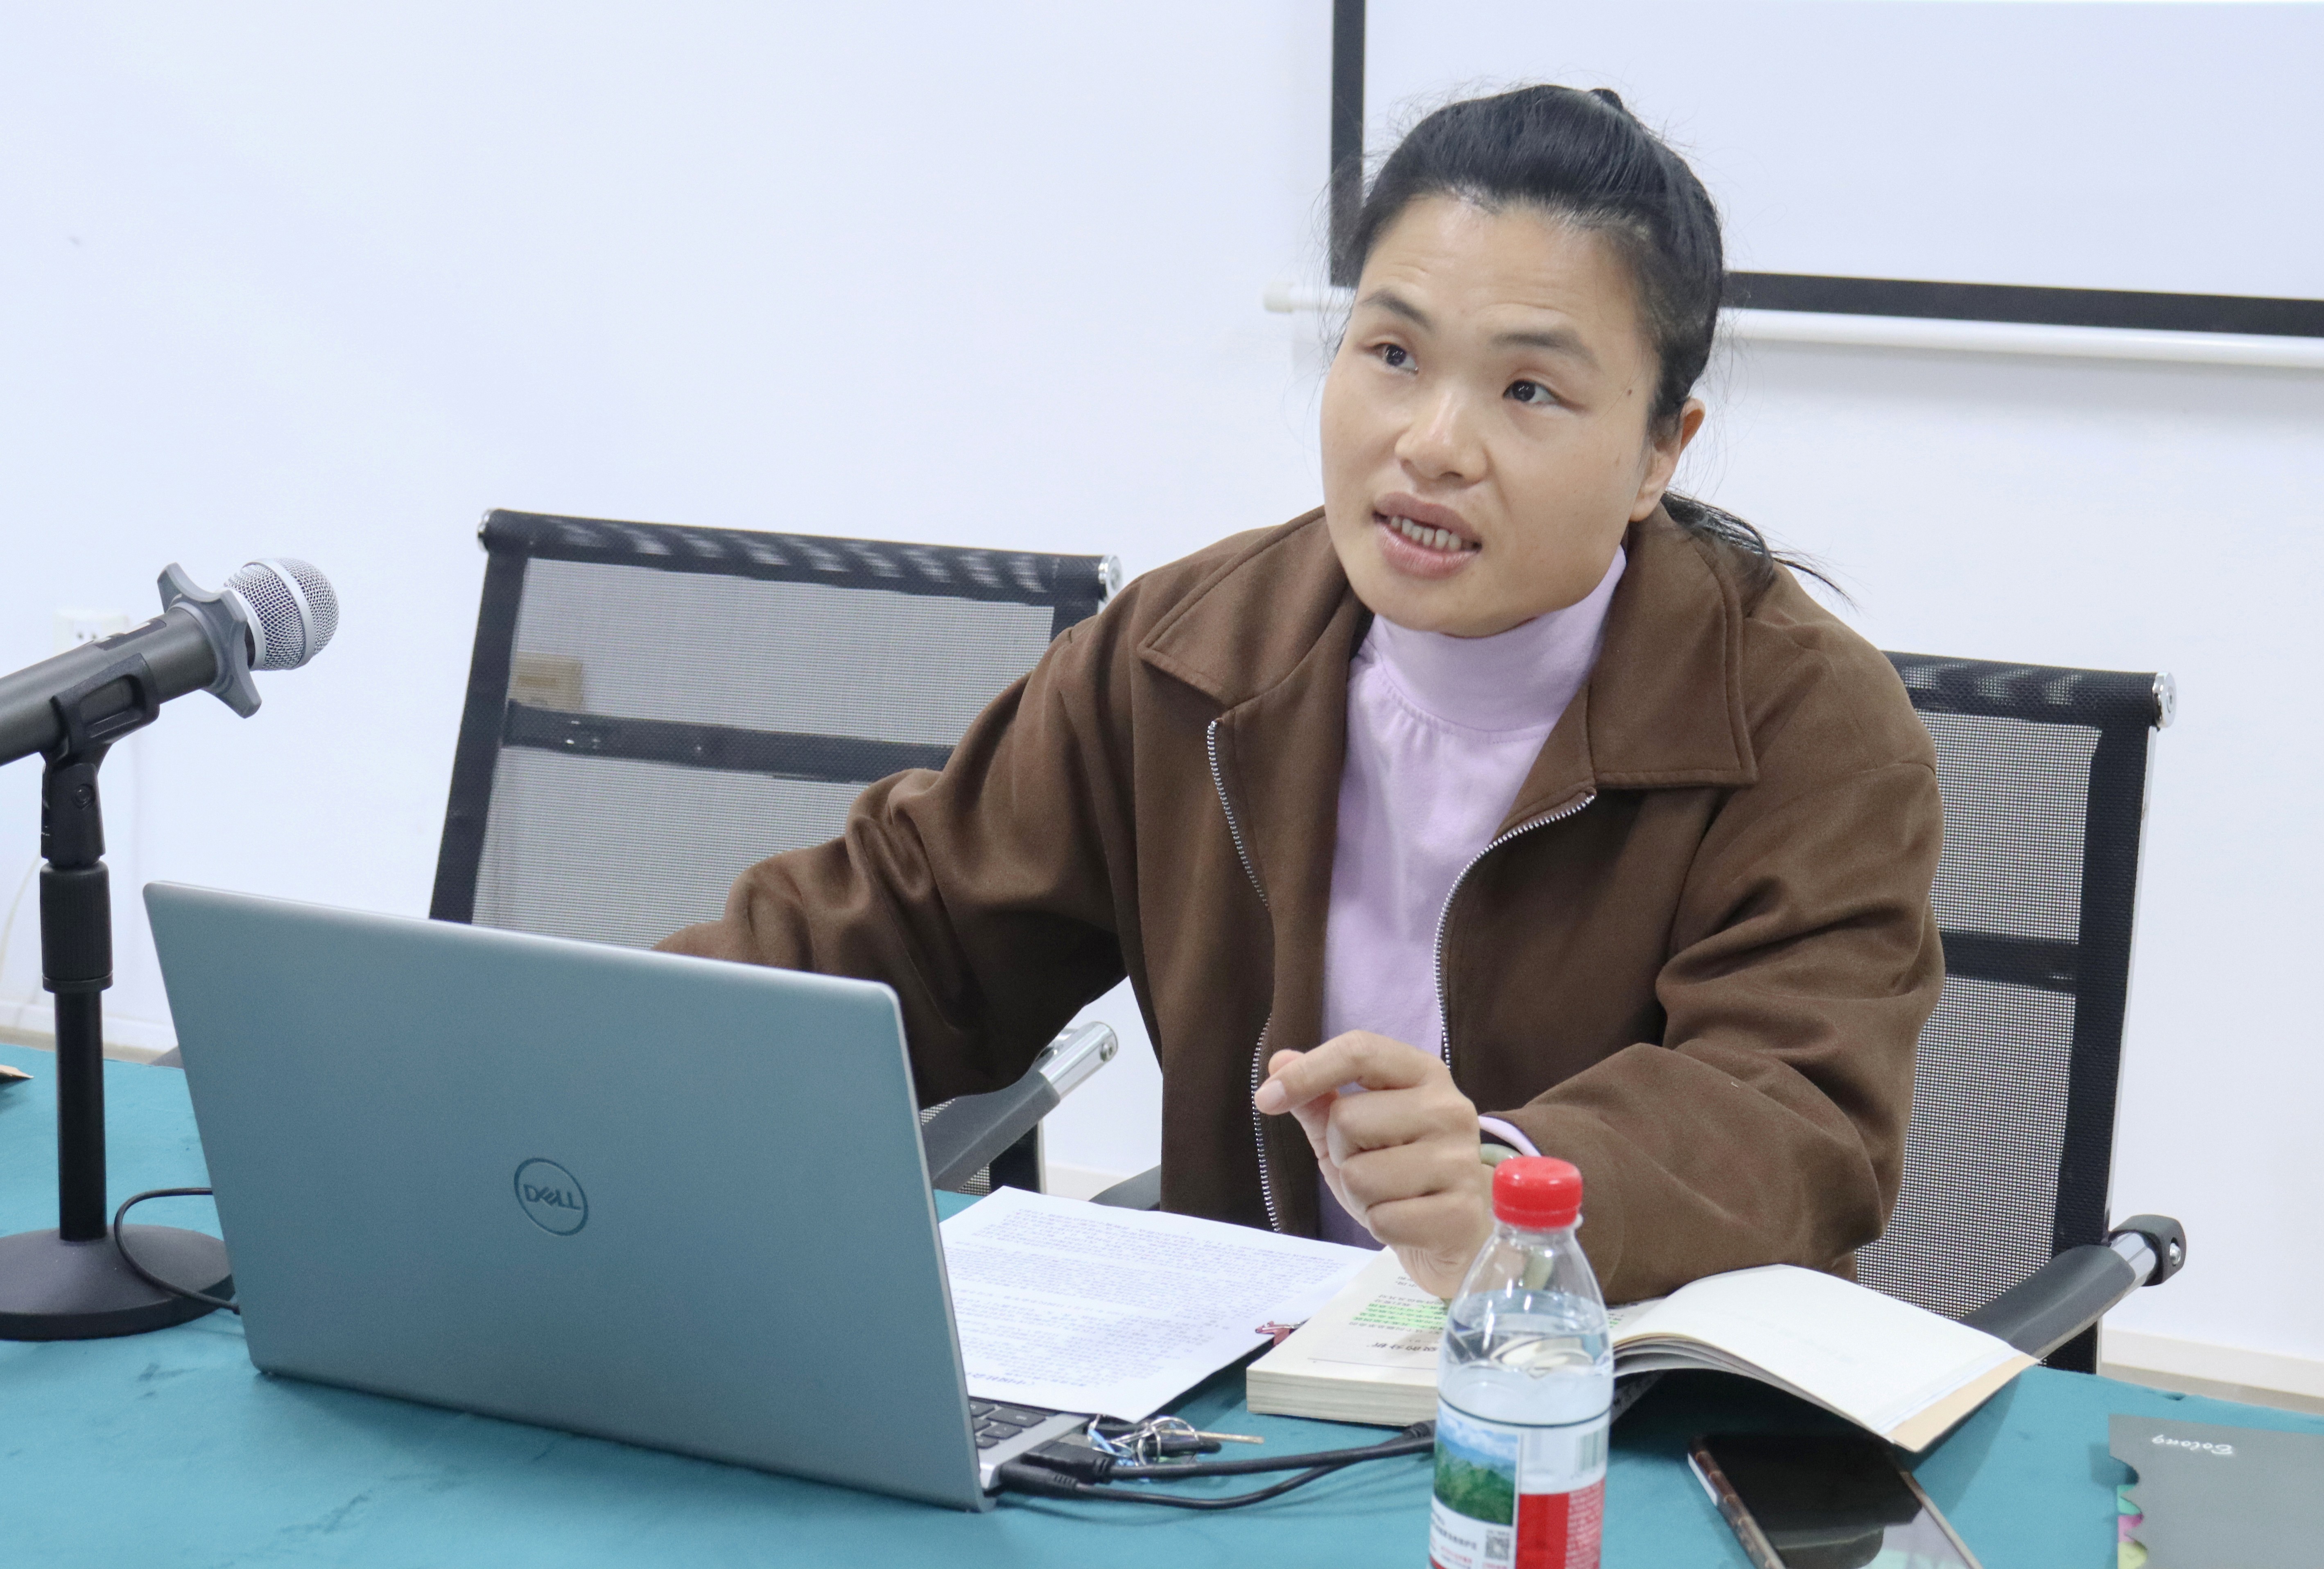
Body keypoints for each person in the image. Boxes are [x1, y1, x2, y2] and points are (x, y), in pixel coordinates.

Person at [660, 85, 1942, 1304]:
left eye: (1527, 390)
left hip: (1609, 1391)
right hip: (1255, 1400)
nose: (1431, 443)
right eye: (1391, 353)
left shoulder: (1805, 722)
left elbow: (1793, 1109)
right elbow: (912, 934)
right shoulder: (1180, 656)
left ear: (1660, 450)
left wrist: (1510, 1182)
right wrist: (614, 1051)